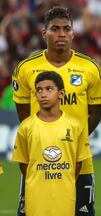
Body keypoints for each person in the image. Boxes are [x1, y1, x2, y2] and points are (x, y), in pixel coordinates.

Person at [12, 6, 101, 216]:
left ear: (73, 33)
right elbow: (23, 116)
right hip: (39, 159)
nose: (61, 34)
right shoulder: (25, 69)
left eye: (66, 29)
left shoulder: (91, 68)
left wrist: (73, 142)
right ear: (44, 33)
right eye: (55, 29)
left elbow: (96, 112)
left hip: (79, 161)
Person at [12, 71, 92, 215]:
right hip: (36, 199)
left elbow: (78, 163)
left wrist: (64, 181)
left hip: (65, 198)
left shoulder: (74, 126)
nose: (43, 94)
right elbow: (24, 164)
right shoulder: (26, 127)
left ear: (61, 94)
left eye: (49, 89)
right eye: (39, 90)